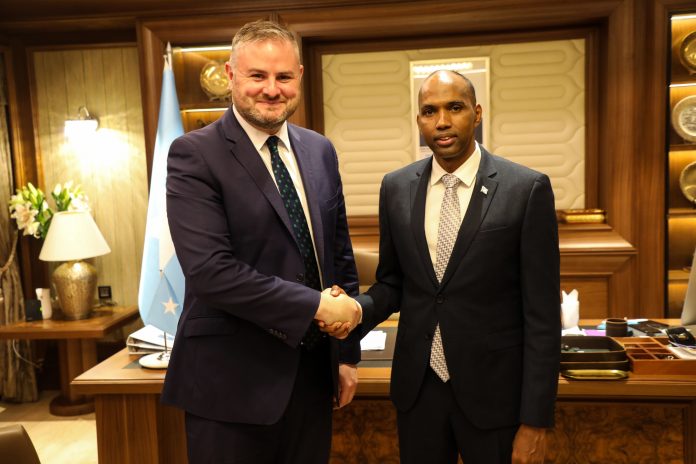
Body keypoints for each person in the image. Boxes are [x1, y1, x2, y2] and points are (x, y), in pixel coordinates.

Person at [334, 70, 560, 463]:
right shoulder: (396, 188)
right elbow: (392, 283)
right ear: (419, 119)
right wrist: (355, 309)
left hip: (495, 396)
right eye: (429, 111)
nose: (441, 121)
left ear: (477, 113)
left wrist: (536, 421)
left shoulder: (526, 189)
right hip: (419, 392)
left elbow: (542, 316)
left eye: (454, 107)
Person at [161, 20, 362, 464]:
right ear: (231, 75)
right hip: (231, 387)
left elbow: (338, 256)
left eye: (283, 76)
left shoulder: (319, 150)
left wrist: (346, 355)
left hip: (313, 379)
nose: (272, 89)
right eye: (258, 76)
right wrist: (315, 306)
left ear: (299, 78)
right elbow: (211, 273)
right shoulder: (194, 154)